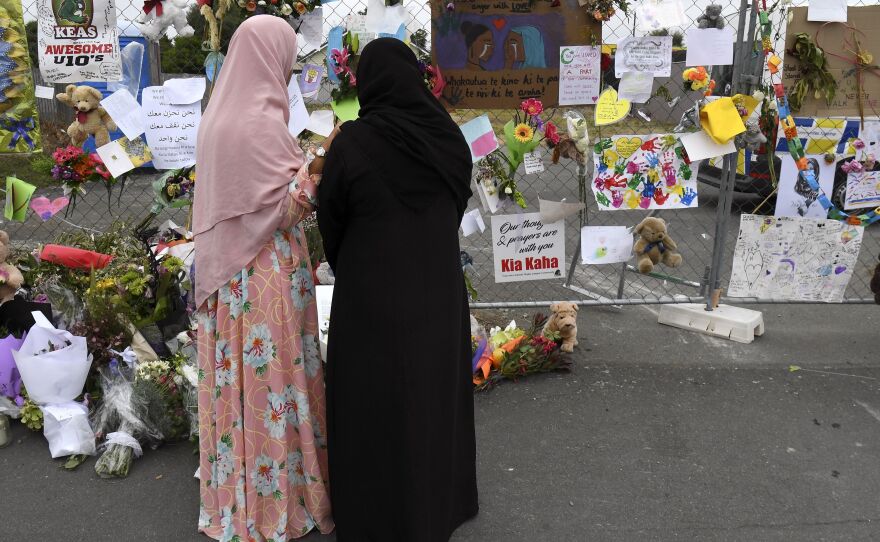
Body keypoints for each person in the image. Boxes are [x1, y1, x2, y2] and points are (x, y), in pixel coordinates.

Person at [317, 38, 479, 542]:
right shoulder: (447, 137)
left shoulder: (350, 143)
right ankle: (439, 502)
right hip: (436, 282)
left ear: (367, 83)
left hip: (370, 288)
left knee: (372, 397)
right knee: (433, 391)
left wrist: (355, 263)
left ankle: (374, 511)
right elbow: (454, 205)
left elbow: (332, 218)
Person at [192, 16, 337, 540]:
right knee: (274, 379)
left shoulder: (217, 116)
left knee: (238, 382)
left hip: (225, 277)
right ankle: (278, 501)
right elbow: (287, 206)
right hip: (264, 275)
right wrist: (320, 160)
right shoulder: (259, 122)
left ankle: (238, 492)